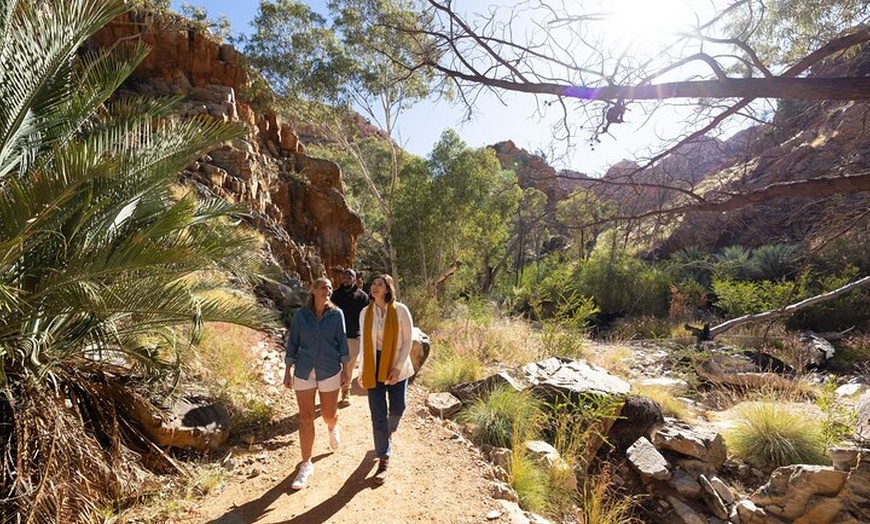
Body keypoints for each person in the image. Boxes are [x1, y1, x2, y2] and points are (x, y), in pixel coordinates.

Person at [283, 277, 350, 490]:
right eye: (323, 287)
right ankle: (306, 464)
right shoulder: (301, 316)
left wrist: (346, 371)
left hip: (330, 368)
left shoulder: (336, 314)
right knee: (306, 417)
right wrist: (287, 370)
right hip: (304, 370)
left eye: (330, 288)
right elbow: (293, 342)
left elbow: (342, 342)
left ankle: (332, 427)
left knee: (328, 414)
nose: (327, 291)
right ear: (313, 291)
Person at [358, 274, 414, 484]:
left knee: (398, 406)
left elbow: (408, 340)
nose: (374, 287)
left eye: (379, 284)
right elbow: (364, 343)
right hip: (374, 363)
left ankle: (388, 431)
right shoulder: (366, 313)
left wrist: (397, 368)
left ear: (388, 289)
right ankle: (384, 456)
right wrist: (362, 370)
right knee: (378, 412)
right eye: (373, 284)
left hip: (396, 361)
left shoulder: (400, 310)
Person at [331, 268, 369, 406]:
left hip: (354, 336)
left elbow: (367, 316)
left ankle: (345, 391)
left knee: (349, 366)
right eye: (344, 276)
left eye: (350, 277)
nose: (346, 279)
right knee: (334, 364)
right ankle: (331, 391)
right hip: (335, 336)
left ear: (355, 279)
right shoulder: (335, 295)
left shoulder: (362, 297)